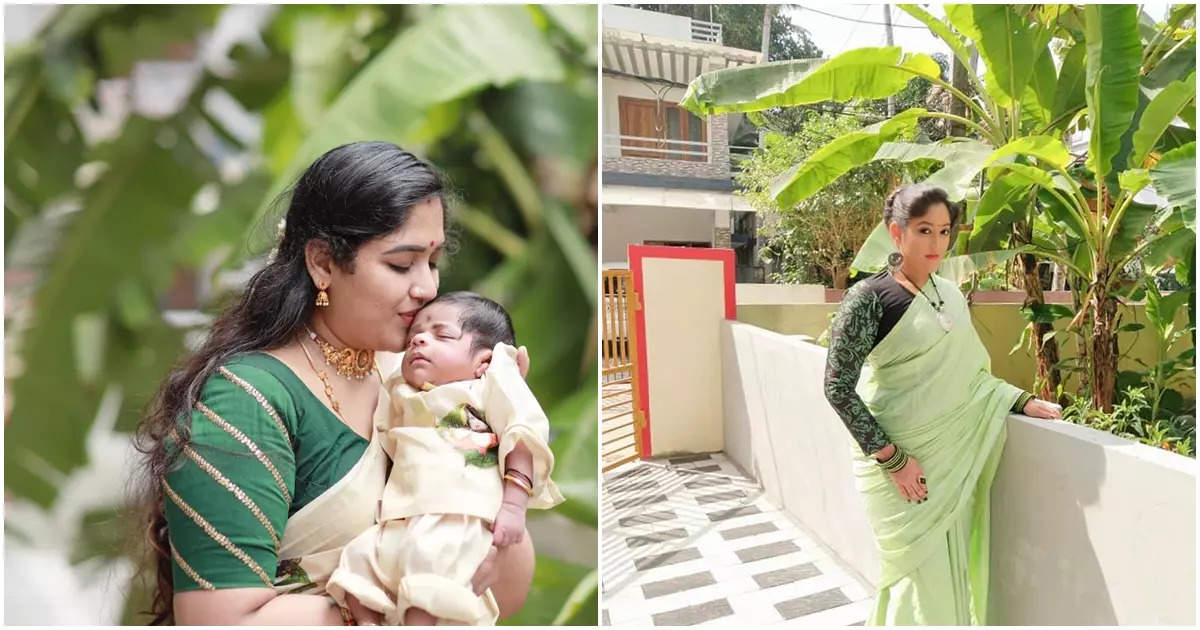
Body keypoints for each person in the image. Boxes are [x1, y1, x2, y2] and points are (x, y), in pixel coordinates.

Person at [132, 142, 535, 625]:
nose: (427, 287)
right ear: (323, 263)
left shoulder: (410, 377)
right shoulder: (245, 402)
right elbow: (221, 622)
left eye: (433, 262)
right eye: (401, 264)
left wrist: (493, 432)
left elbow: (501, 589)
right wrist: (384, 604)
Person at [823, 184, 1062, 626]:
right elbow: (837, 387)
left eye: (945, 231)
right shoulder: (867, 300)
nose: (937, 243)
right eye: (924, 230)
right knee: (915, 579)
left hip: (948, 457)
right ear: (896, 234)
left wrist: (1018, 399)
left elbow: (970, 376)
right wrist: (893, 459)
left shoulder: (948, 294)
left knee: (945, 577)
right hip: (901, 462)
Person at [327, 291, 563, 625]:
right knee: (358, 568)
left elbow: (521, 436)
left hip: (457, 514)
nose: (420, 339)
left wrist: (513, 506)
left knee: (427, 598)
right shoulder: (399, 389)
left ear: (484, 362)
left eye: (442, 335)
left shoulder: (487, 386)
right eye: (413, 338)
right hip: (401, 516)